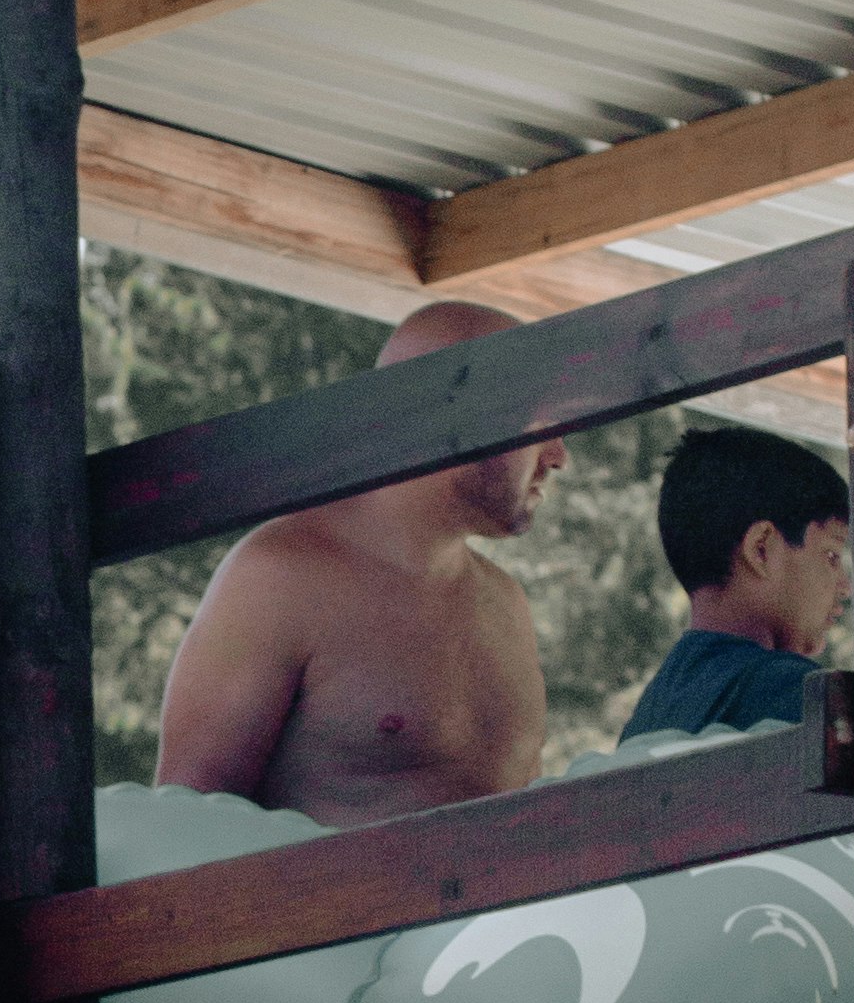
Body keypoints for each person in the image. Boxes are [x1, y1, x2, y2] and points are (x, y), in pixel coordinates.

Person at [154, 297, 563, 819]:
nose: (558, 456)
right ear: (454, 411)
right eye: (541, 423)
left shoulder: (507, 601)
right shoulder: (279, 576)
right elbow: (185, 827)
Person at [619, 423, 850, 738]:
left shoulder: (648, 714)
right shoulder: (793, 692)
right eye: (832, 556)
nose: (845, 587)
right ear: (761, 549)